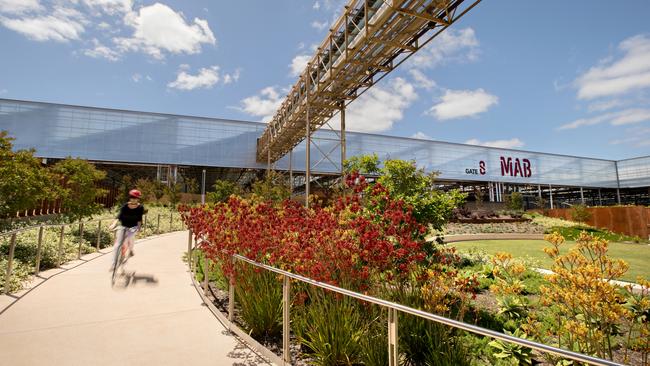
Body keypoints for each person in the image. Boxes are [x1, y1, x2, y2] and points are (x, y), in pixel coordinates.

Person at [109, 189, 144, 268]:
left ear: (138, 198)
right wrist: (113, 224)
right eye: (132, 197)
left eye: (135, 198)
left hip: (133, 227)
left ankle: (131, 250)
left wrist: (139, 228)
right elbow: (119, 216)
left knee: (130, 237)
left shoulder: (140, 207)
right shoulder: (125, 206)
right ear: (129, 197)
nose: (133, 199)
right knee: (117, 245)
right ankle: (114, 264)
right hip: (123, 226)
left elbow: (139, 219)